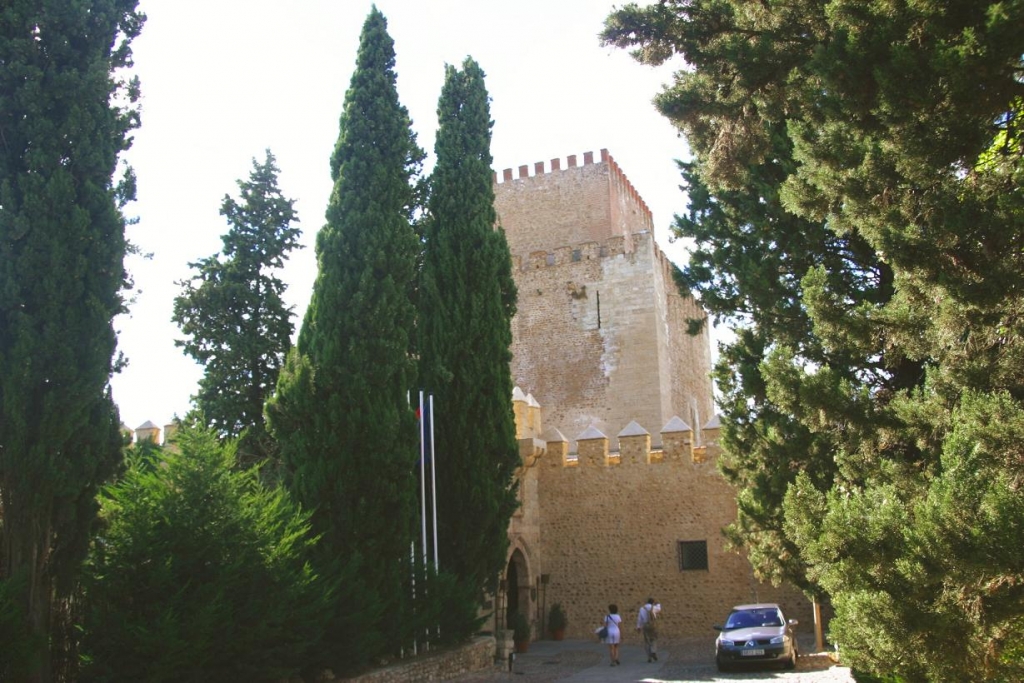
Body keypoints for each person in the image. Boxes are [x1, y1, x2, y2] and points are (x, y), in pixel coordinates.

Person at [636, 597, 659, 662]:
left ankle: (649, 657)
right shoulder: (654, 607)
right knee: (654, 639)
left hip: (645, 625)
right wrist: (657, 603)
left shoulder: (642, 608)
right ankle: (653, 651)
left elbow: (639, 619)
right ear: (652, 602)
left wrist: (638, 627)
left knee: (647, 640)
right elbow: (659, 608)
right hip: (653, 625)